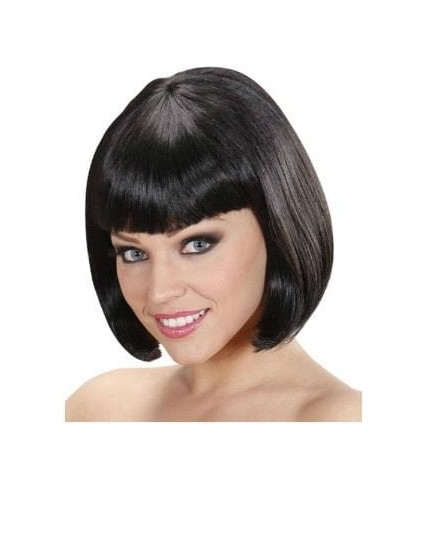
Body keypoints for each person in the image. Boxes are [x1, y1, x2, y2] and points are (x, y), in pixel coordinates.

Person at [65, 66, 361, 422]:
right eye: (134, 253)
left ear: (276, 226)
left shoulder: (341, 418)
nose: (159, 291)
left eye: (197, 245)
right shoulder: (97, 408)